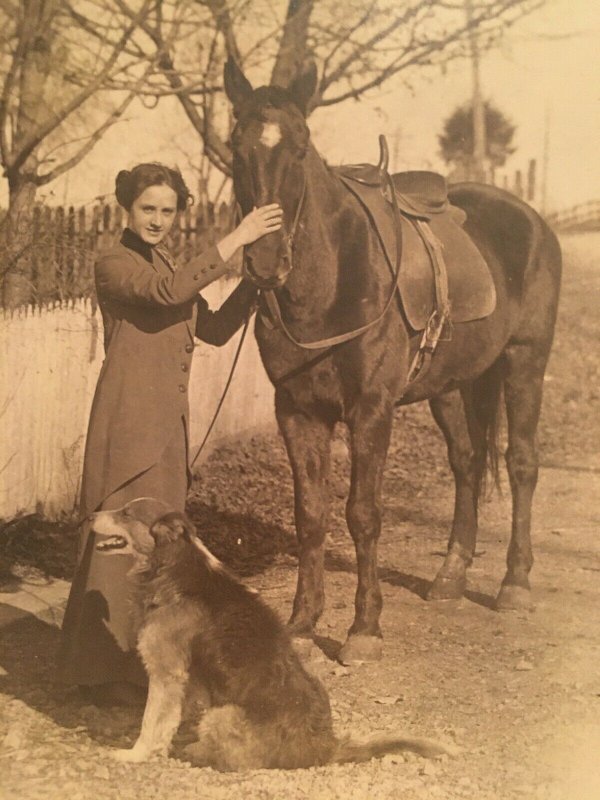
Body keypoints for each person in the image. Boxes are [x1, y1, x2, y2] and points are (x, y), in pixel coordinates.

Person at [57, 163, 282, 706]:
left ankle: (141, 669)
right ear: (127, 210)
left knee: (158, 553)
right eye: (147, 209)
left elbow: (212, 328)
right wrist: (238, 236)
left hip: (167, 428)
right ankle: (97, 671)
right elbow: (166, 293)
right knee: (116, 544)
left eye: (166, 210)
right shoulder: (114, 262)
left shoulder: (167, 262)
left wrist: (254, 283)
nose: (157, 220)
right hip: (129, 423)